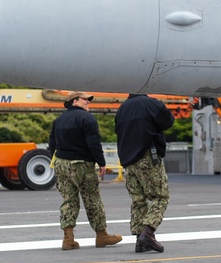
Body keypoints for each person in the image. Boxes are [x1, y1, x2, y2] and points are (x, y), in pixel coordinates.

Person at [48, 92, 122, 250]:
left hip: (61, 163)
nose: (88, 102)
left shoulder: (58, 120)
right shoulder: (87, 119)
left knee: (68, 200)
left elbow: (52, 144)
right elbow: (93, 142)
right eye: (85, 100)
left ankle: (68, 239)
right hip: (81, 164)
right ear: (75, 101)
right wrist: (102, 162)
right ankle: (101, 235)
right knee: (92, 199)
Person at [115, 94, 175, 253]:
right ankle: (148, 233)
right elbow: (168, 120)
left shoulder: (122, 108)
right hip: (148, 156)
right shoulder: (150, 103)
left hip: (128, 161)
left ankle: (139, 239)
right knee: (160, 196)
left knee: (138, 199)